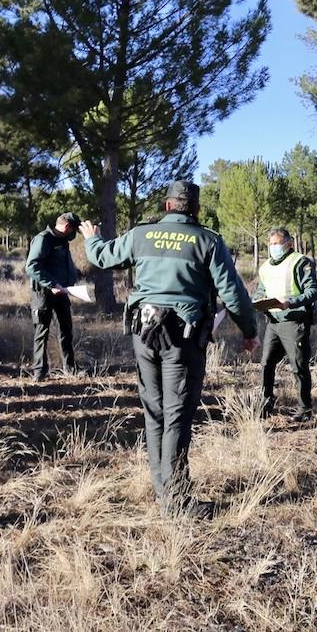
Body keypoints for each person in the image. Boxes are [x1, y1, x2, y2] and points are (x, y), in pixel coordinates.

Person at [80, 181, 259, 513]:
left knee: (155, 410)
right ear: (196, 209)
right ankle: (177, 501)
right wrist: (249, 330)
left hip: (143, 331)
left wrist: (92, 237)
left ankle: (165, 492)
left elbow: (103, 257)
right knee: (177, 413)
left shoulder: (140, 235)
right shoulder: (208, 240)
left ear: (167, 207)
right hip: (183, 335)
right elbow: (232, 292)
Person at [253, 229, 317, 422]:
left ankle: (304, 409)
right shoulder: (265, 266)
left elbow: (313, 291)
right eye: (271, 244)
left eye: (278, 244)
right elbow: (261, 290)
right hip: (273, 322)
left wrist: (290, 302)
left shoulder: (301, 262)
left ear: (289, 244)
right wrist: (257, 301)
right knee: (266, 363)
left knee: (298, 366)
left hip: (294, 322)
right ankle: (266, 403)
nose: (274, 247)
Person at [25, 212, 82, 381]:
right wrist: (52, 284)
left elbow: (63, 265)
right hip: (43, 294)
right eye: (73, 230)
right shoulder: (43, 239)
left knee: (66, 330)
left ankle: (70, 368)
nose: (73, 235)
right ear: (66, 227)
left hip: (62, 292)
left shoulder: (63, 241)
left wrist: (71, 281)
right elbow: (32, 266)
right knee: (42, 331)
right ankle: (40, 372)